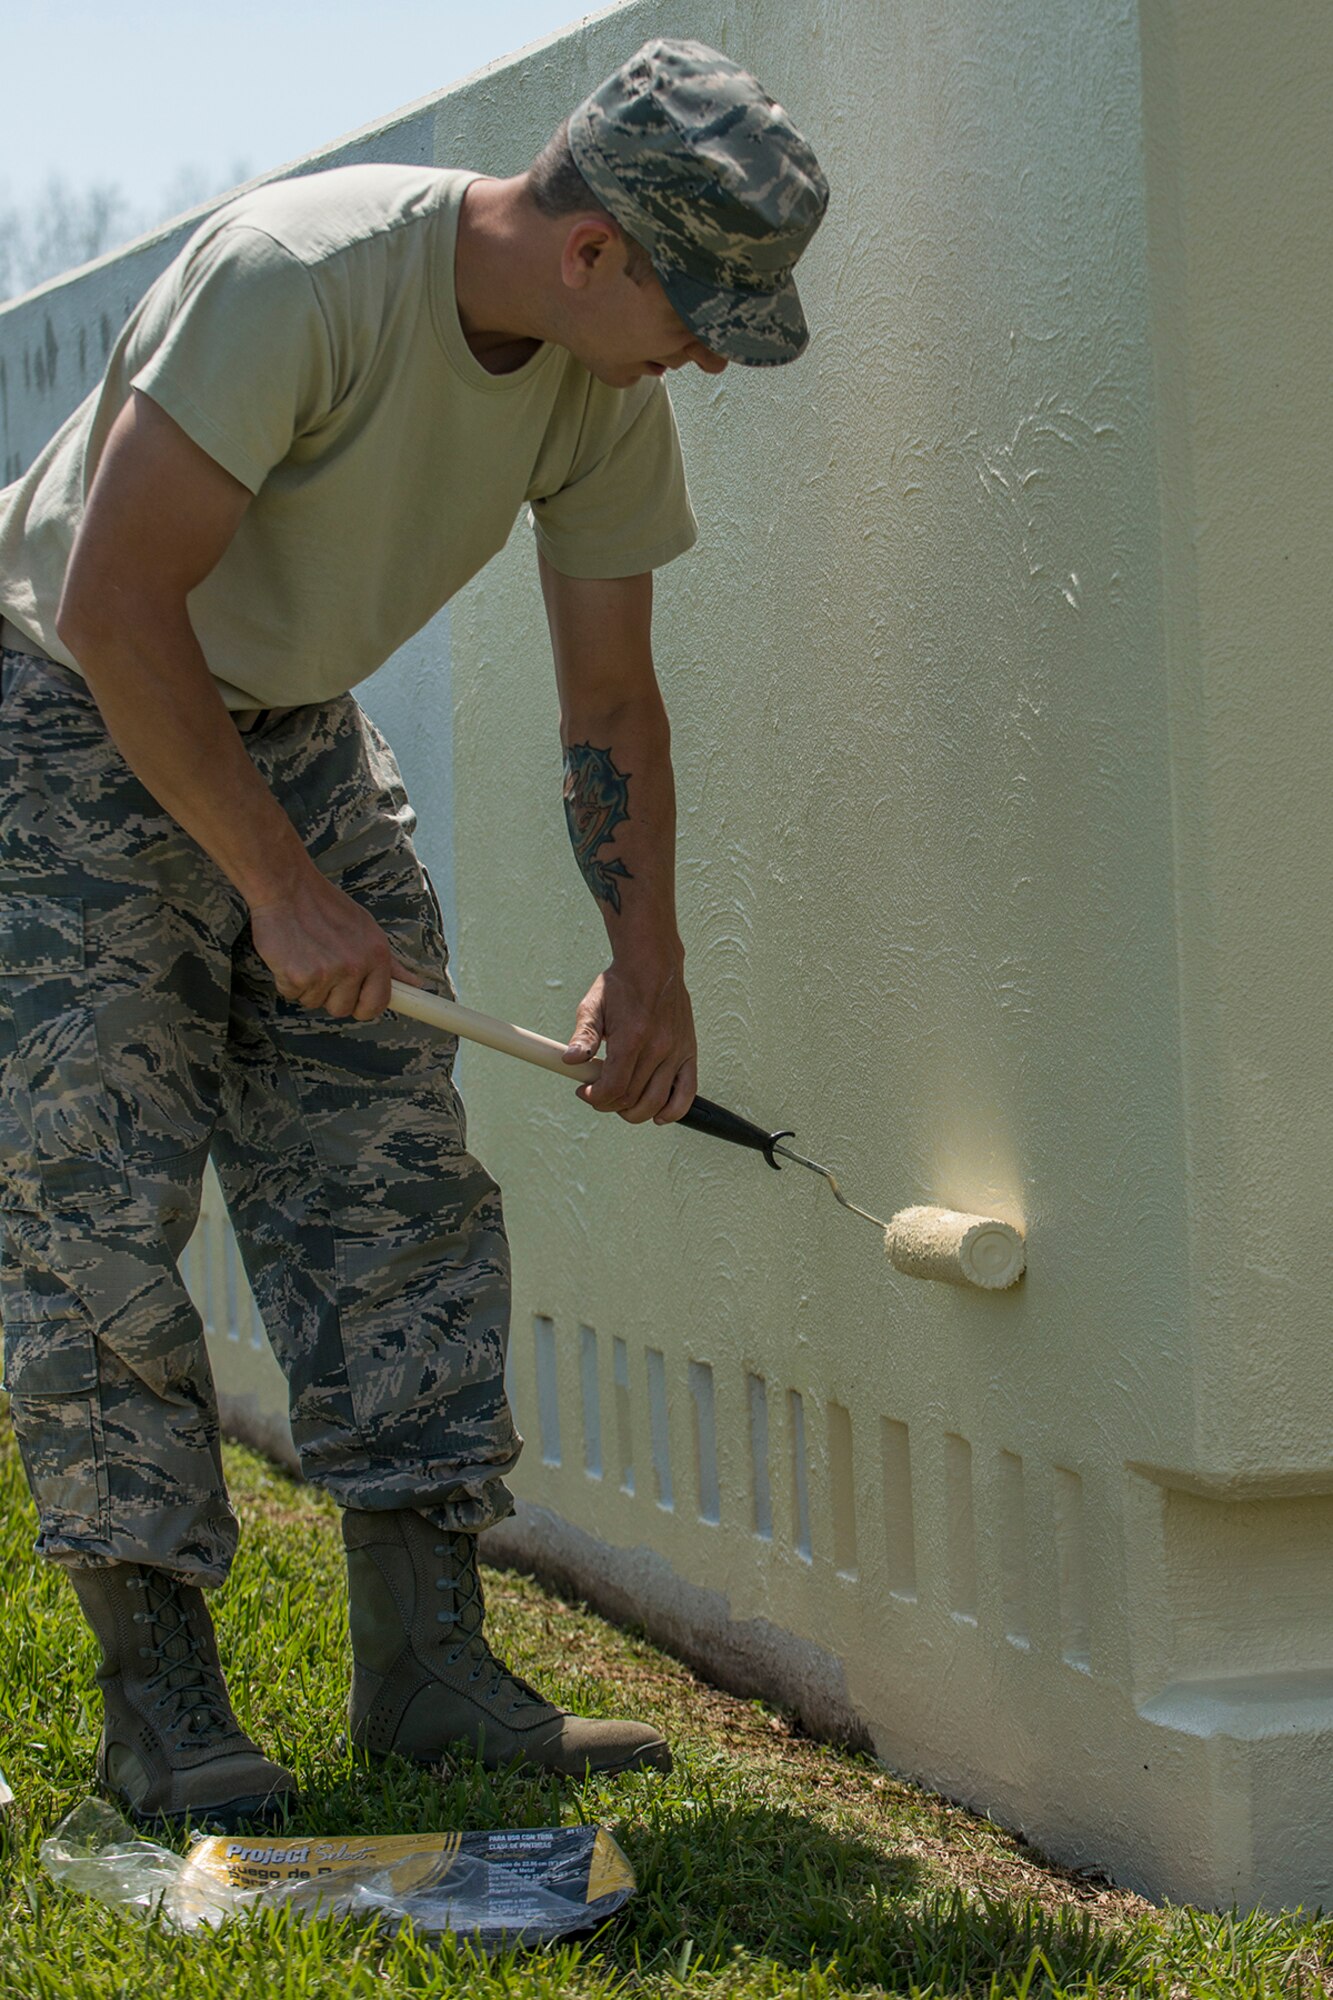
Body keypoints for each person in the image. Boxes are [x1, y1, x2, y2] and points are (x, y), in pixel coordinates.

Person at [0, 39, 828, 1826]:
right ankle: (160, 1696)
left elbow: (610, 702)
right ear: (592, 247)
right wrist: (277, 891)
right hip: (67, 704)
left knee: (389, 1168)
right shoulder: (296, 280)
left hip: (288, 723)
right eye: (701, 306)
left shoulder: (601, 380)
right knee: (97, 1193)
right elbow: (113, 597)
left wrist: (651, 958)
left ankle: (428, 1669)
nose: (707, 351)